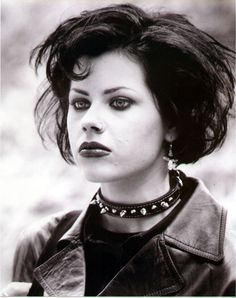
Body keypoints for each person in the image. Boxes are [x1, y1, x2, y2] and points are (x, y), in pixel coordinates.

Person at [1, 3, 235, 296]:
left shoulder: (228, 258)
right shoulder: (42, 243)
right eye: (80, 103)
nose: (89, 122)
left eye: (119, 103)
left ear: (172, 120)